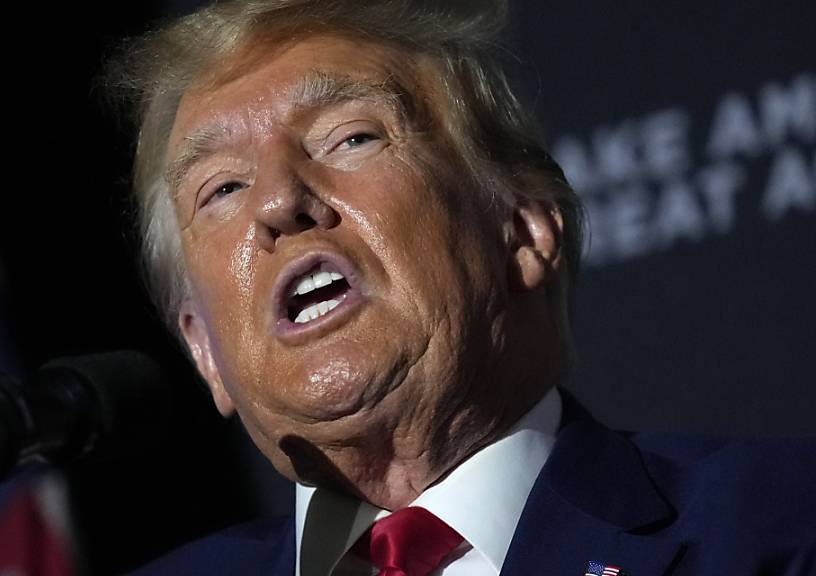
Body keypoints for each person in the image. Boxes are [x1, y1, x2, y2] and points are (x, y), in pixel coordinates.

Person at [104, 0, 816, 574]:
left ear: (523, 230)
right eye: (222, 188)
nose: (276, 201)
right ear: (202, 350)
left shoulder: (778, 523)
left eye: (350, 138)